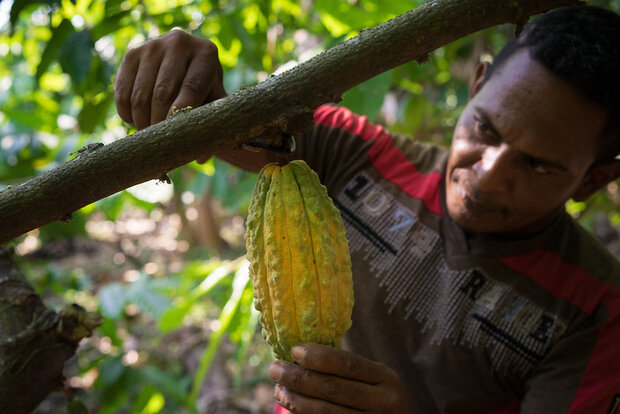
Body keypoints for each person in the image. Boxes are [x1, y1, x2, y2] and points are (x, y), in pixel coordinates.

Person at [114, 5, 620, 413]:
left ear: (594, 179)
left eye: (538, 166)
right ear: (478, 84)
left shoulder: (598, 314)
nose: (486, 174)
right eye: (485, 129)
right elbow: (248, 129)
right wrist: (195, 84)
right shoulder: (363, 155)